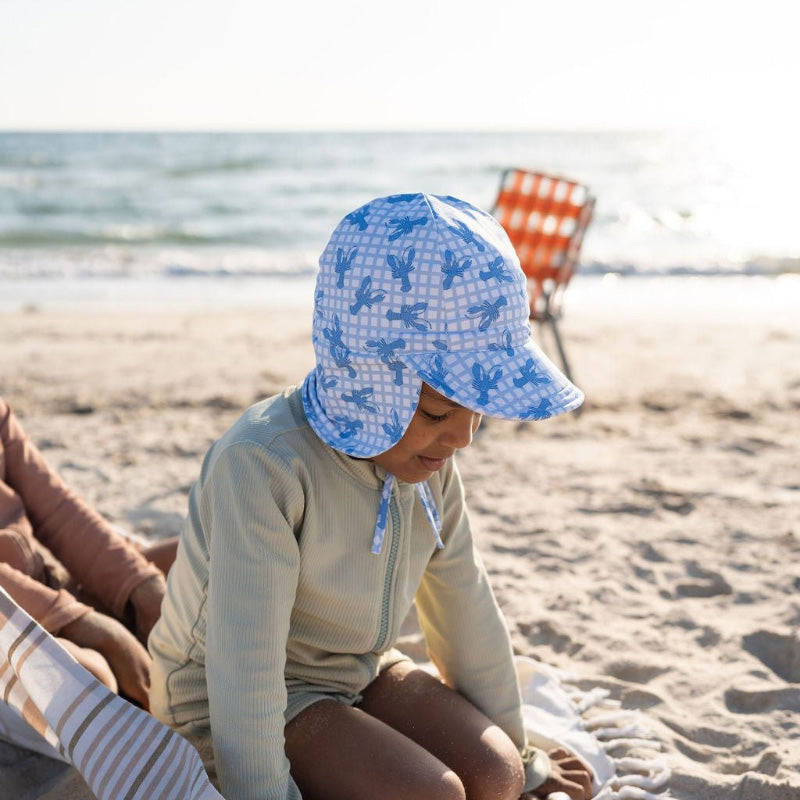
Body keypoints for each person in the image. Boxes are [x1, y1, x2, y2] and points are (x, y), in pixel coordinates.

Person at [149, 193, 593, 800]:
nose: (463, 437)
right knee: (434, 793)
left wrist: (515, 745)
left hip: (357, 669)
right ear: (369, 384)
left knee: (497, 776)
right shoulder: (264, 465)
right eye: (440, 410)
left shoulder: (428, 465)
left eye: (477, 412)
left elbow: (466, 607)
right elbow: (244, 668)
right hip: (231, 700)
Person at [0, 397, 177, 709]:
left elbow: (57, 510)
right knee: (93, 679)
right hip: (12, 632)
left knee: (206, 558)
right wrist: (80, 624)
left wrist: (142, 588)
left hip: (49, 587)